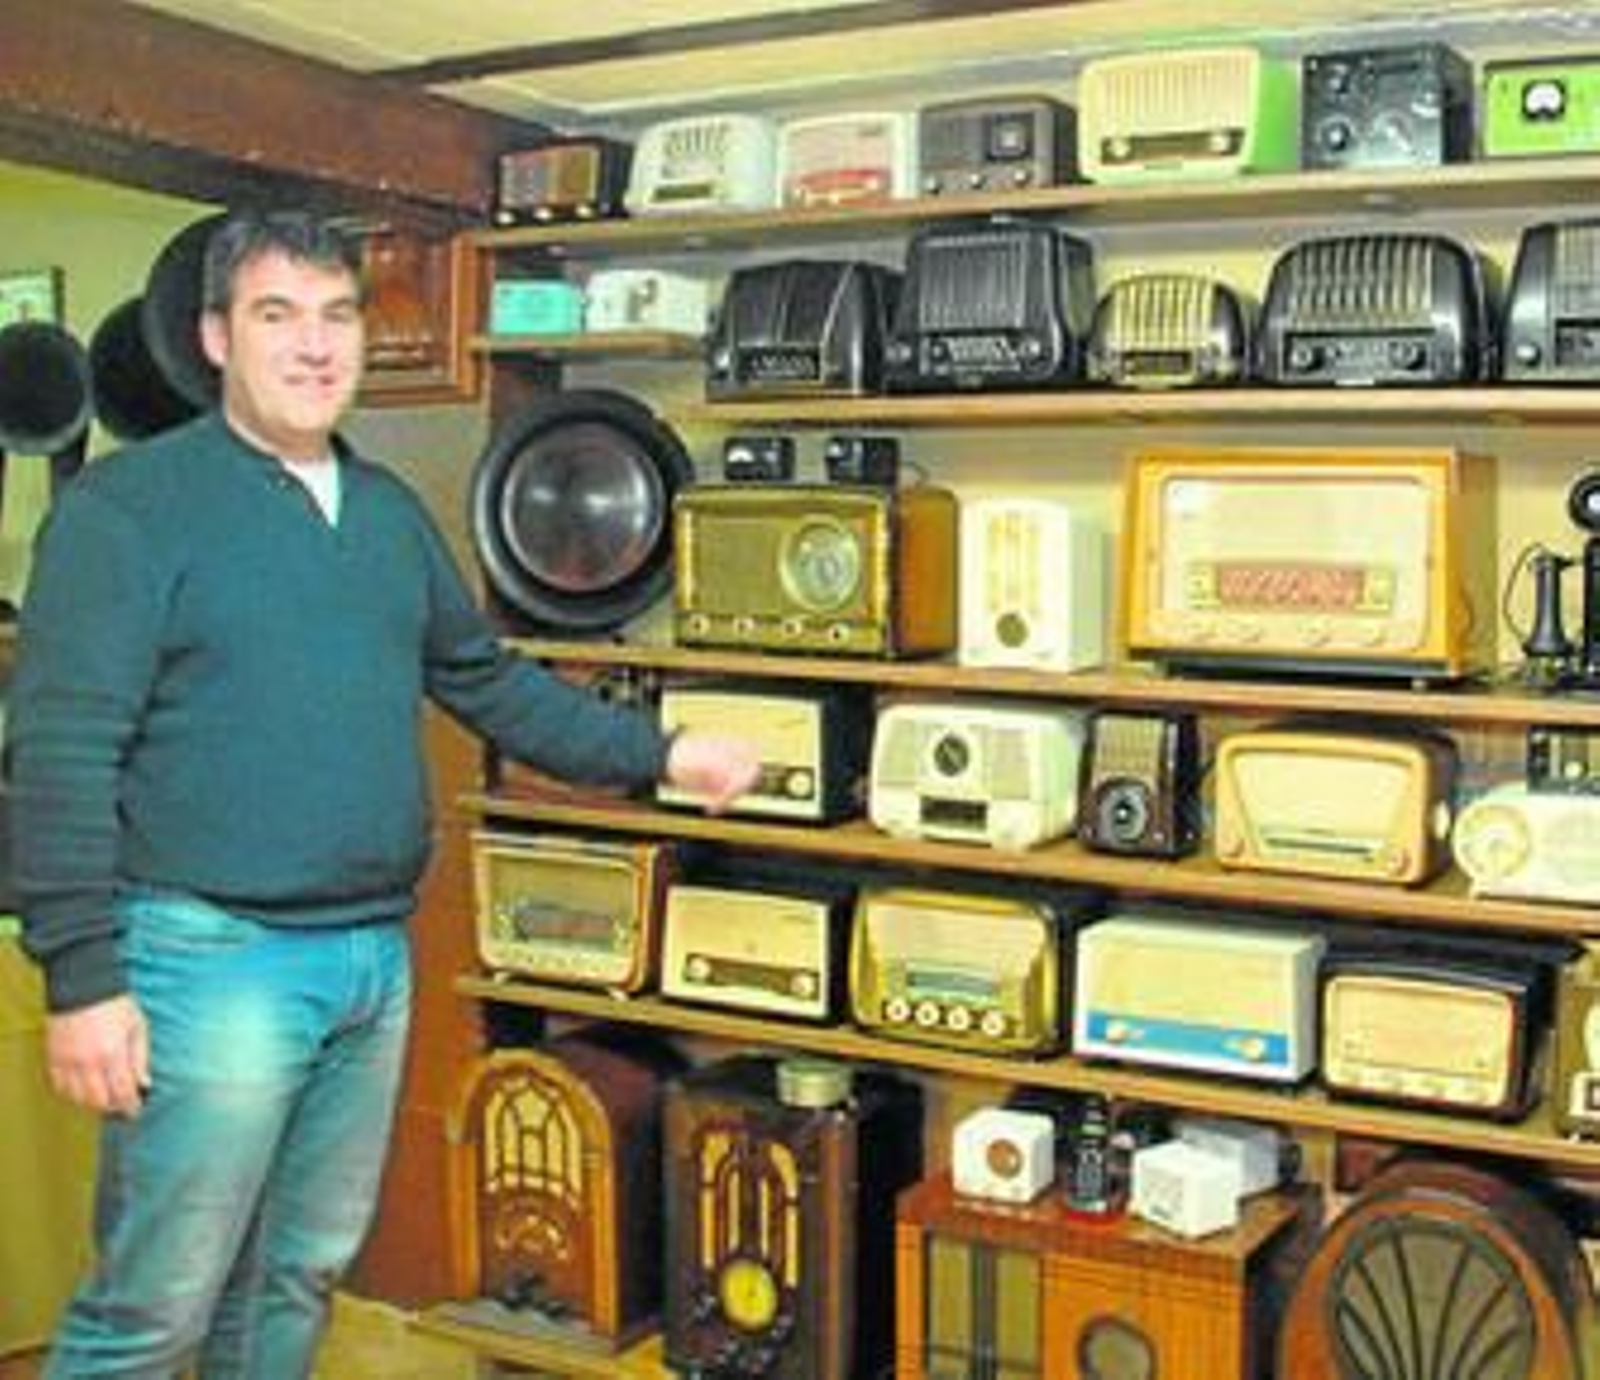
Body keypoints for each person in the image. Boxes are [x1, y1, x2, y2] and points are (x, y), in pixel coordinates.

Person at [6, 209, 759, 1379]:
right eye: (276, 315)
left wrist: (662, 754)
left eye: (337, 315)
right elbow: (59, 754)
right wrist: (83, 982)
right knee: (152, 1310)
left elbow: (487, 681)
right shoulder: (126, 514)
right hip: (208, 961)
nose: (314, 345)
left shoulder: (385, 513)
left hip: (368, 961)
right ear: (216, 338)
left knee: (293, 1278)